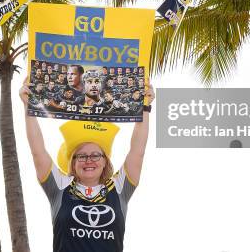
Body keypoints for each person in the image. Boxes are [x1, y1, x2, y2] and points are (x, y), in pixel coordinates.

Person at [20, 79, 155, 252]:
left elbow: (138, 151)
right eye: (81, 156)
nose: (89, 160)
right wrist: (27, 106)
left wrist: (144, 108)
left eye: (96, 155)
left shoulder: (120, 187)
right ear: (73, 162)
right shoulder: (60, 186)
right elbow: (38, 151)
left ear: (105, 161)